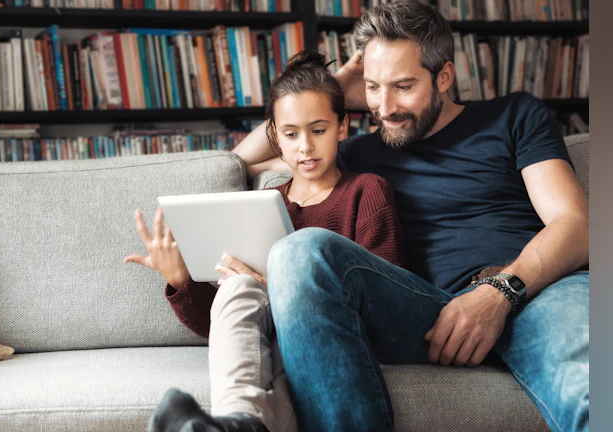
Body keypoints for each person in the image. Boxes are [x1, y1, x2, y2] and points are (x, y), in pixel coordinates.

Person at [232, 2, 590, 432]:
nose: (384, 107)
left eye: (402, 86)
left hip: (535, 291)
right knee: (298, 253)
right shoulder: (356, 153)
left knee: (595, 391)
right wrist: (331, 87)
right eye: (372, 87)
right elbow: (240, 162)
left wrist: (499, 292)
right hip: (426, 311)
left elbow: (576, 224)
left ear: (443, 76)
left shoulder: (514, 116)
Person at [124, 50, 408, 432]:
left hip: (327, 340)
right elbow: (225, 329)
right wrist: (181, 280)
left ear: (343, 127)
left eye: (318, 130)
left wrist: (284, 291)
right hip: (266, 344)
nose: (305, 146)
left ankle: (238, 424)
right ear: (275, 137)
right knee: (238, 285)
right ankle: (239, 421)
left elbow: (385, 298)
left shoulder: (366, 191)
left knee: (263, 296)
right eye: (291, 134)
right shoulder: (262, 207)